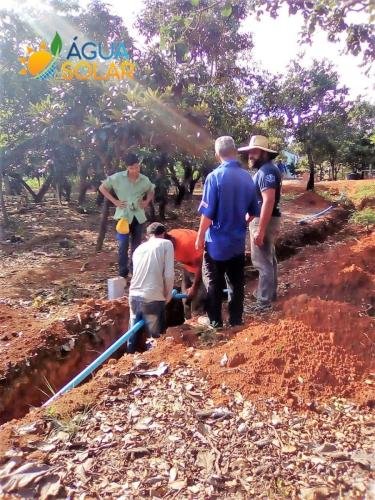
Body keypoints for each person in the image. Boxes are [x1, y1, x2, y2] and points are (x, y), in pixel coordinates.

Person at [195, 136, 259, 328]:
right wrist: (240, 222)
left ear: (217, 155)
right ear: (236, 152)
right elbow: (253, 212)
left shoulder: (214, 177)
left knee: (214, 282)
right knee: (236, 282)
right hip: (237, 242)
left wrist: (199, 237)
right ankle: (236, 320)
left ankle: (215, 322)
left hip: (216, 243)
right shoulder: (247, 177)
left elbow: (207, 214)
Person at [238, 135, 282, 312]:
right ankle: (270, 294)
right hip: (268, 218)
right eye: (250, 152)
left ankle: (263, 303)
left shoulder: (266, 172)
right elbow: (261, 202)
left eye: (254, 152)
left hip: (266, 220)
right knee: (269, 259)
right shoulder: (267, 170)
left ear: (264, 153)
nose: (250, 155)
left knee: (262, 262)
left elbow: (268, 201)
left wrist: (260, 230)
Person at [99, 152, 154, 281]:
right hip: (123, 217)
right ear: (127, 167)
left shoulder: (144, 179)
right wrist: (115, 201)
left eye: (137, 167)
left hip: (138, 217)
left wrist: (146, 201)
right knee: (123, 245)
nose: (135, 170)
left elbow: (151, 190)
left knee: (137, 245)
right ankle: (122, 272)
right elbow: (102, 188)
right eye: (132, 168)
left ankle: (135, 270)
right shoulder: (117, 178)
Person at [128, 222, 174, 351]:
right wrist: (168, 295)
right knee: (156, 341)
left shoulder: (139, 248)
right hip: (152, 297)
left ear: (148, 235)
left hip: (133, 295)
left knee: (133, 336)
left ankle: (127, 362)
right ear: (163, 233)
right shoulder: (166, 244)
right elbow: (169, 274)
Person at [165, 228, 205, 319]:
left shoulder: (188, 244)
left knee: (197, 300)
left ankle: (198, 320)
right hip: (188, 267)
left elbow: (201, 266)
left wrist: (194, 288)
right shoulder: (167, 240)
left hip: (202, 269)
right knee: (186, 299)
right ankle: (188, 321)